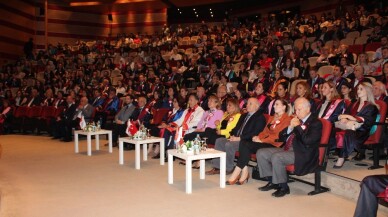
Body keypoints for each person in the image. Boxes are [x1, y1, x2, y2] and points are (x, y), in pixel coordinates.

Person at [257, 97, 322, 197]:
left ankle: (284, 187)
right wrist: (290, 127)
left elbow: (307, 141)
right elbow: (281, 137)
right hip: (287, 148)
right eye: (295, 109)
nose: (297, 112)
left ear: (308, 109)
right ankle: (272, 181)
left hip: (302, 152)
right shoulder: (296, 120)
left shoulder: (315, 123)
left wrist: (298, 127)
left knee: (277, 157)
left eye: (299, 109)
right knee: (261, 153)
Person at [226, 99, 291, 185]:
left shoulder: (287, 119)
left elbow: (278, 136)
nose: (274, 106)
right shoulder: (272, 118)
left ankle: (236, 172)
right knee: (244, 142)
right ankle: (244, 172)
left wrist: (262, 140)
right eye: (274, 104)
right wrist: (258, 137)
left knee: (246, 144)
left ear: (284, 107)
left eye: (277, 104)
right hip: (265, 142)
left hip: (274, 144)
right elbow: (264, 131)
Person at [209, 98, 266, 175]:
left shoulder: (260, 117)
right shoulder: (244, 116)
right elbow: (236, 128)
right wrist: (232, 135)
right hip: (237, 138)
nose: (247, 105)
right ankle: (217, 167)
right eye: (247, 103)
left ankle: (229, 168)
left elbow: (255, 133)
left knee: (229, 145)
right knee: (219, 141)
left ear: (256, 106)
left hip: (247, 141)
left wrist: (239, 138)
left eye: (250, 104)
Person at [334, 82, 379, 167]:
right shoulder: (354, 103)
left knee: (347, 133)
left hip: (362, 131)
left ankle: (341, 157)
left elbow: (367, 121)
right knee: (332, 128)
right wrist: (344, 118)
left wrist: (349, 117)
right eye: (358, 88)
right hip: (350, 127)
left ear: (368, 91)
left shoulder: (372, 107)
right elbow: (346, 114)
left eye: (361, 89)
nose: (358, 91)